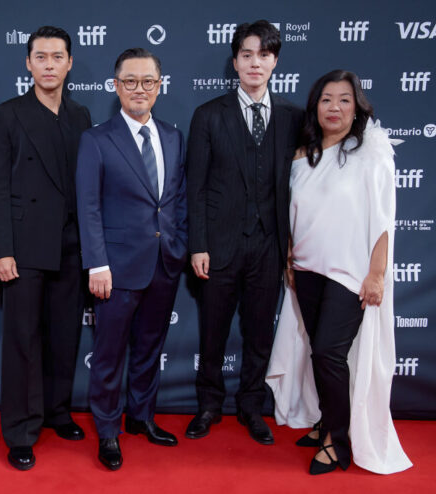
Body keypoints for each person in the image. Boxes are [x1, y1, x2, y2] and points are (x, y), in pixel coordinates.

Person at [266, 69, 412, 475]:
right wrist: (291, 256)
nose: (335, 107)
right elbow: (294, 213)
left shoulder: (371, 152)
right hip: (307, 271)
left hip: (349, 275)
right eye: (327, 99)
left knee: (330, 351)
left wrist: (377, 274)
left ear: (357, 106)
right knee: (321, 352)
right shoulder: (301, 155)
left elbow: (384, 220)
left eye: (344, 99)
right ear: (315, 106)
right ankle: (326, 420)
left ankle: (337, 441)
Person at [185, 20, 303, 444]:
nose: (256, 63)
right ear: (235, 61)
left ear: (276, 61)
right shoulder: (208, 115)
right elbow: (194, 187)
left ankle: (252, 406)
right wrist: (198, 244)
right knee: (212, 332)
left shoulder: (293, 117)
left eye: (265, 55)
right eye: (248, 55)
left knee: (259, 333)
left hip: (269, 246)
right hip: (218, 247)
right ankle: (209, 405)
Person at [0, 26, 92, 471]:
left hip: (71, 245)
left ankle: (57, 411)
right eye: (41, 57)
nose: (49, 64)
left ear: (69, 63)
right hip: (23, 248)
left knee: (64, 337)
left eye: (57, 57)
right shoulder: (7, 114)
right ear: (28, 63)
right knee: (24, 341)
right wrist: (2, 250)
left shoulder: (80, 115)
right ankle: (21, 430)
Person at [76, 48, 187, 471]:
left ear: (159, 86)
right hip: (116, 269)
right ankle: (107, 430)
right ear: (116, 85)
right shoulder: (97, 139)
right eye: (130, 81)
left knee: (149, 349)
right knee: (109, 354)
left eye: (148, 82)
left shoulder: (174, 137)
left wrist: (180, 245)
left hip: (164, 262)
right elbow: (88, 207)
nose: (139, 89)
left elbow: (175, 201)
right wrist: (97, 264)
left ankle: (141, 417)